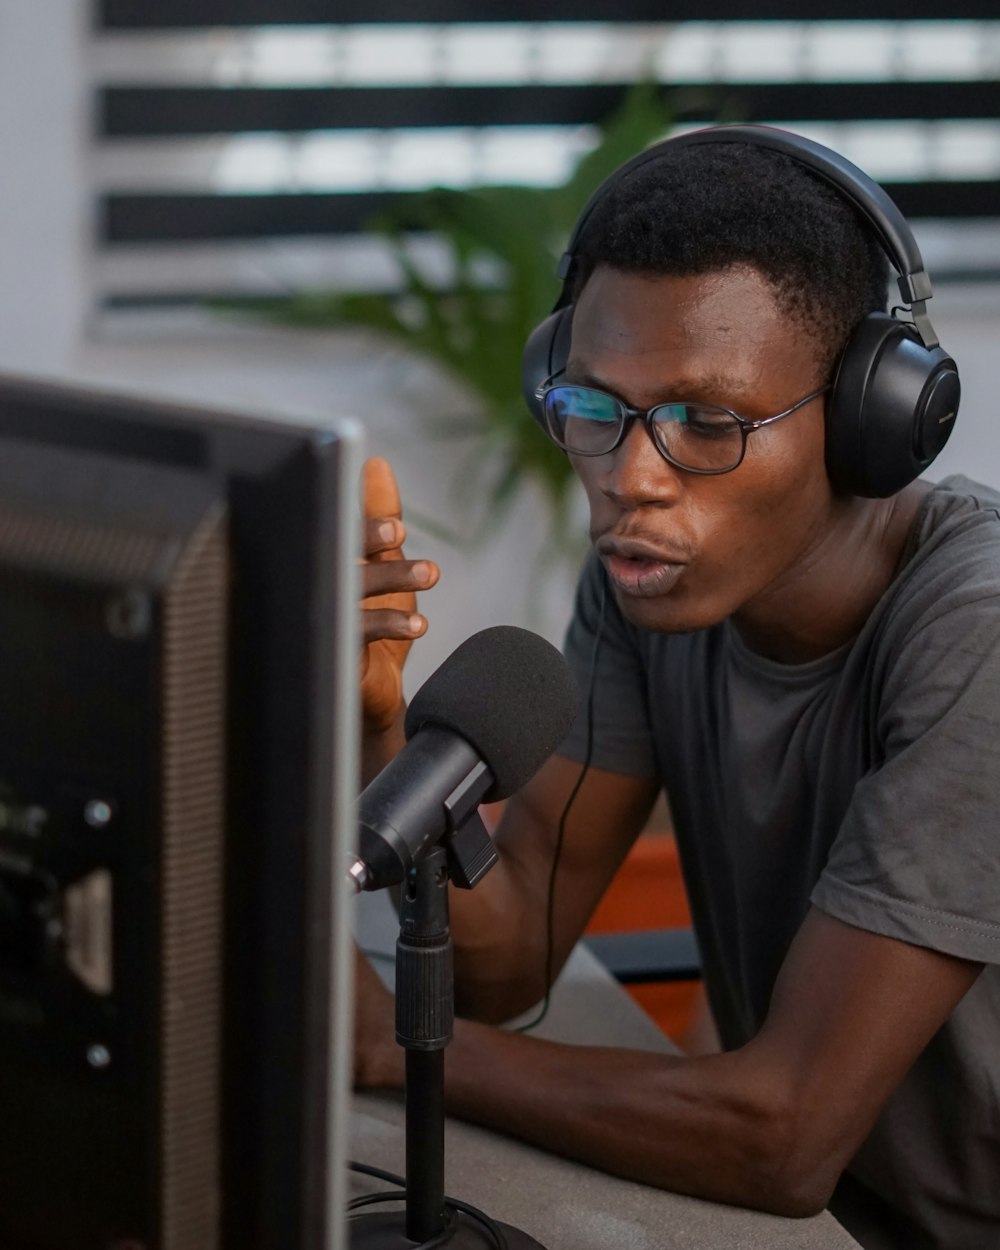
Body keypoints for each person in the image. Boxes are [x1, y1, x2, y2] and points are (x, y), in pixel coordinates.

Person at [353, 128, 999, 1250]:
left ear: (873, 417)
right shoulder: (653, 585)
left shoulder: (975, 629)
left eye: (709, 420)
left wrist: (390, 1048)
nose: (630, 478)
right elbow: (506, 963)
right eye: (596, 408)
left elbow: (785, 1135)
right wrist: (378, 735)